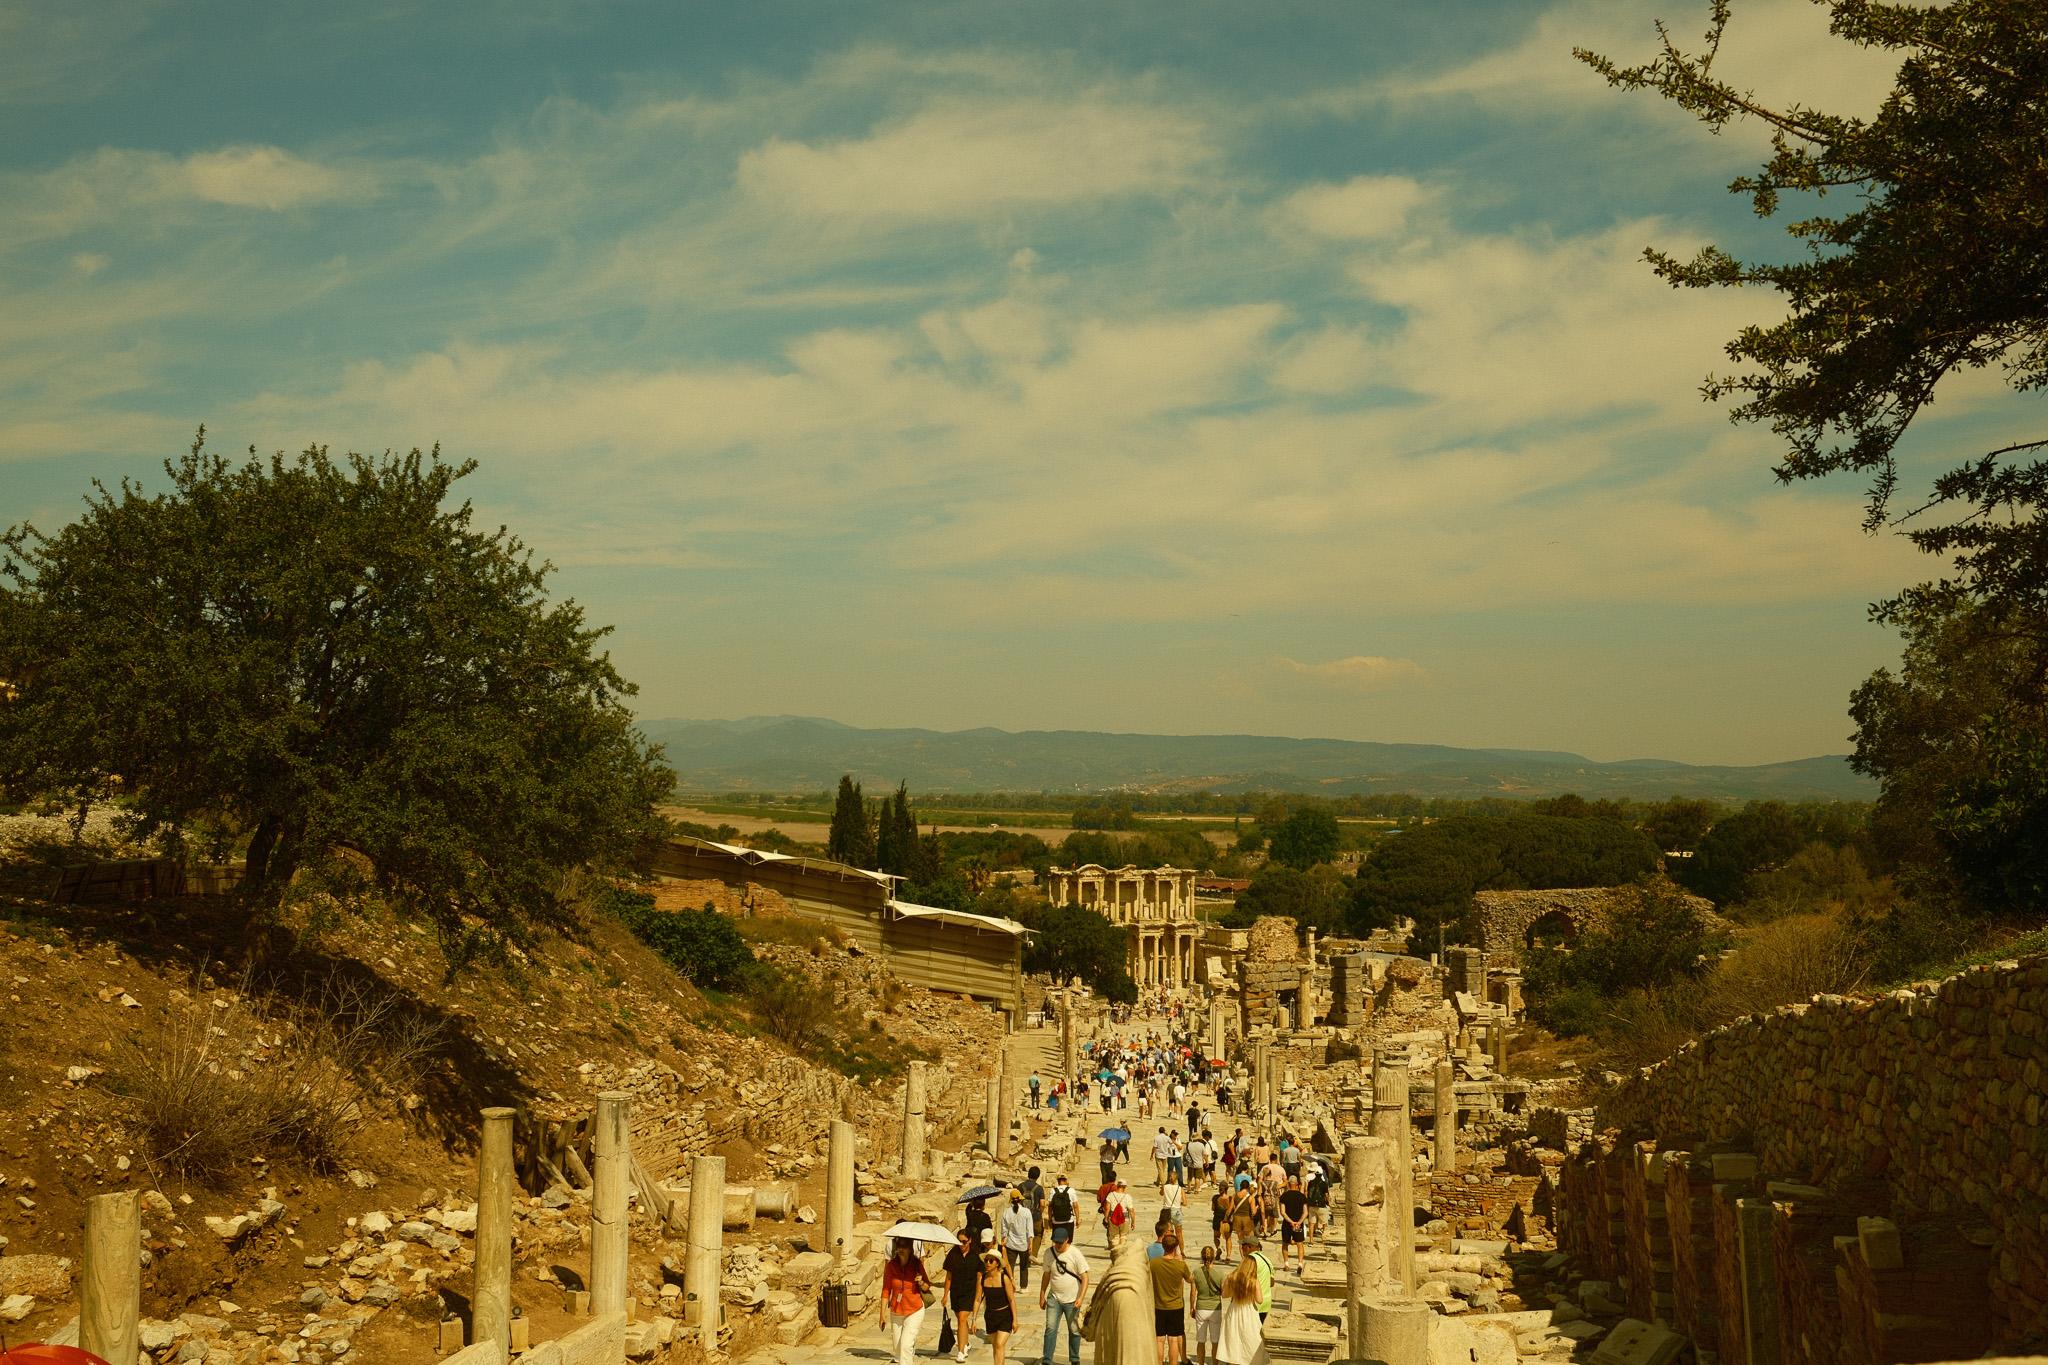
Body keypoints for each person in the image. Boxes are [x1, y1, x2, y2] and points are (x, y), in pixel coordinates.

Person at [1038, 1226, 1089, 1365]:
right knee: (1050, 1328)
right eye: (1055, 1242)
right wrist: (1042, 1294)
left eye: (1060, 1243)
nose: (1058, 1245)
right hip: (1054, 1297)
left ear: (1067, 1240)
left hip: (1072, 1299)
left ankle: (1074, 1359)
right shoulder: (1049, 1253)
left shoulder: (1075, 1254)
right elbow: (1046, 1275)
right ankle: (1047, 1359)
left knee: (1074, 1330)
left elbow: (1085, 1278)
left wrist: (1080, 1298)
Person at [881, 1238, 934, 1365]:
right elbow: (886, 1290)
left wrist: (920, 1282)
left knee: (905, 1346)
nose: (901, 1249)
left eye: (904, 1246)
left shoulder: (916, 1264)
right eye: (899, 1246)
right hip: (897, 1310)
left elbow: (927, 1286)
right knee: (898, 1349)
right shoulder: (891, 1266)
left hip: (914, 1310)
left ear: (910, 1249)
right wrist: (882, 1315)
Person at [1147, 1231, 1197, 1365]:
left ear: (1163, 1246)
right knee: (1173, 1339)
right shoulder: (1180, 1265)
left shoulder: (1154, 1263)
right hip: (1175, 1306)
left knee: (1159, 1339)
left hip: (1158, 1305)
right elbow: (1190, 1279)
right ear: (1175, 1248)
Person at [976, 1230, 1019, 1365]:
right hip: (990, 1315)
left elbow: (1011, 1299)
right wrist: (973, 1320)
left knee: (1000, 1344)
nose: (987, 1263)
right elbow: (978, 1299)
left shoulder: (1003, 1278)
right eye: (986, 1260)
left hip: (1005, 1315)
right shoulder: (982, 1279)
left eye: (990, 1261)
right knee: (996, 1347)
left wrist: (1015, 1320)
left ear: (996, 1263)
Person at [1215, 1255, 1264, 1365]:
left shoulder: (1231, 1277)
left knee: (1233, 1339)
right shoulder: (1254, 1281)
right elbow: (1260, 1300)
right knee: (1251, 1339)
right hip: (1249, 1312)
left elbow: (1224, 1295)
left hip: (1234, 1311)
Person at [943, 1228, 979, 1363]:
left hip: (969, 1292)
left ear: (970, 1241)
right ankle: (967, 1342)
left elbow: (979, 1278)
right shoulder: (953, 1255)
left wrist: (979, 1295)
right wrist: (945, 1294)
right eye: (959, 1241)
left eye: (964, 1242)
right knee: (960, 1318)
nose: (961, 1244)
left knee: (962, 1319)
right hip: (956, 1292)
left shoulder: (975, 1256)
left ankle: (961, 1350)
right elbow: (949, 1276)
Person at [1189, 1244, 1225, 1365]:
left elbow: (1193, 1292)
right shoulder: (1220, 1273)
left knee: (1201, 1341)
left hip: (1201, 1308)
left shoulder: (1196, 1272)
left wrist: (1191, 1307)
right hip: (1215, 1309)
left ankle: (1200, 1363)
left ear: (1201, 1257)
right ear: (1214, 1257)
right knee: (1215, 1341)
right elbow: (1224, 1292)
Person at [1001, 1190, 1035, 1290]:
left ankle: (1009, 1285)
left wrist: (1004, 1241)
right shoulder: (1026, 1212)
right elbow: (1030, 1230)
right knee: (1024, 1267)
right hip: (1023, 1244)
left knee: (1009, 1266)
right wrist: (1031, 1244)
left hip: (1010, 1244)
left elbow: (1004, 1230)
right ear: (1020, 1200)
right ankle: (1023, 1287)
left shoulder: (1006, 1212)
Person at [1278, 1176, 1308, 1272]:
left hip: (1287, 1223)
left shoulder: (1284, 1196)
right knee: (1300, 1243)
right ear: (1297, 1184)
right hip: (1298, 1224)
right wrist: (1299, 1222)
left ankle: (1286, 1264)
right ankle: (1300, 1264)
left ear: (1289, 1184)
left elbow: (1282, 1212)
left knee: (1285, 1243)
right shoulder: (1302, 1196)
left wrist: (1291, 1222)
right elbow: (1305, 1212)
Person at [1242, 1238, 1274, 1324]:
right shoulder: (1266, 1259)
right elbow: (1271, 1283)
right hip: (1266, 1303)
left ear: (1249, 1247)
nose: (1241, 1249)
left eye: (1242, 1247)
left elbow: (1243, 1281)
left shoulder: (1250, 1260)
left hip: (1253, 1303)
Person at [1018, 1166, 1047, 1257]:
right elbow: (1042, 1204)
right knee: (1038, 1234)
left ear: (1028, 1174)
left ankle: (1024, 1255)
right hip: (1035, 1217)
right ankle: (1033, 1255)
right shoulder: (1039, 1188)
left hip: (1022, 1217)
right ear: (1037, 1176)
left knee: (1024, 1236)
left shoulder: (1020, 1186)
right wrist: (1040, 1212)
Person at [1046, 1174, 1079, 1248]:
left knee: (1056, 1240)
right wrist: (1078, 1219)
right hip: (1069, 1220)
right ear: (1066, 1181)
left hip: (1056, 1220)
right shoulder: (1071, 1190)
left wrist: (1050, 1219)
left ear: (1058, 1181)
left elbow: (1050, 1206)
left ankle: (1057, 1255)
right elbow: (1075, 1206)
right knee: (1068, 1241)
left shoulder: (1053, 1191)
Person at [1104, 1178, 1134, 1251]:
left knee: (1114, 1237)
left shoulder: (1110, 1195)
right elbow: (1131, 1210)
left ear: (1117, 1185)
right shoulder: (1127, 1197)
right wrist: (1133, 1222)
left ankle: (1116, 1250)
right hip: (1124, 1219)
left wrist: (1106, 1218)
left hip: (1113, 1218)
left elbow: (1107, 1208)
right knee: (1123, 1236)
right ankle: (1121, 1250)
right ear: (1125, 1187)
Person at [1303, 1160, 1329, 1239]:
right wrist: (1328, 1201)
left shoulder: (1309, 1180)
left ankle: (1311, 1240)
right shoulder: (1324, 1182)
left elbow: (1306, 1190)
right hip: (1321, 1204)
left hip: (1312, 1203)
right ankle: (1323, 1238)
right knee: (1324, 1222)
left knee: (1311, 1222)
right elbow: (1326, 1194)